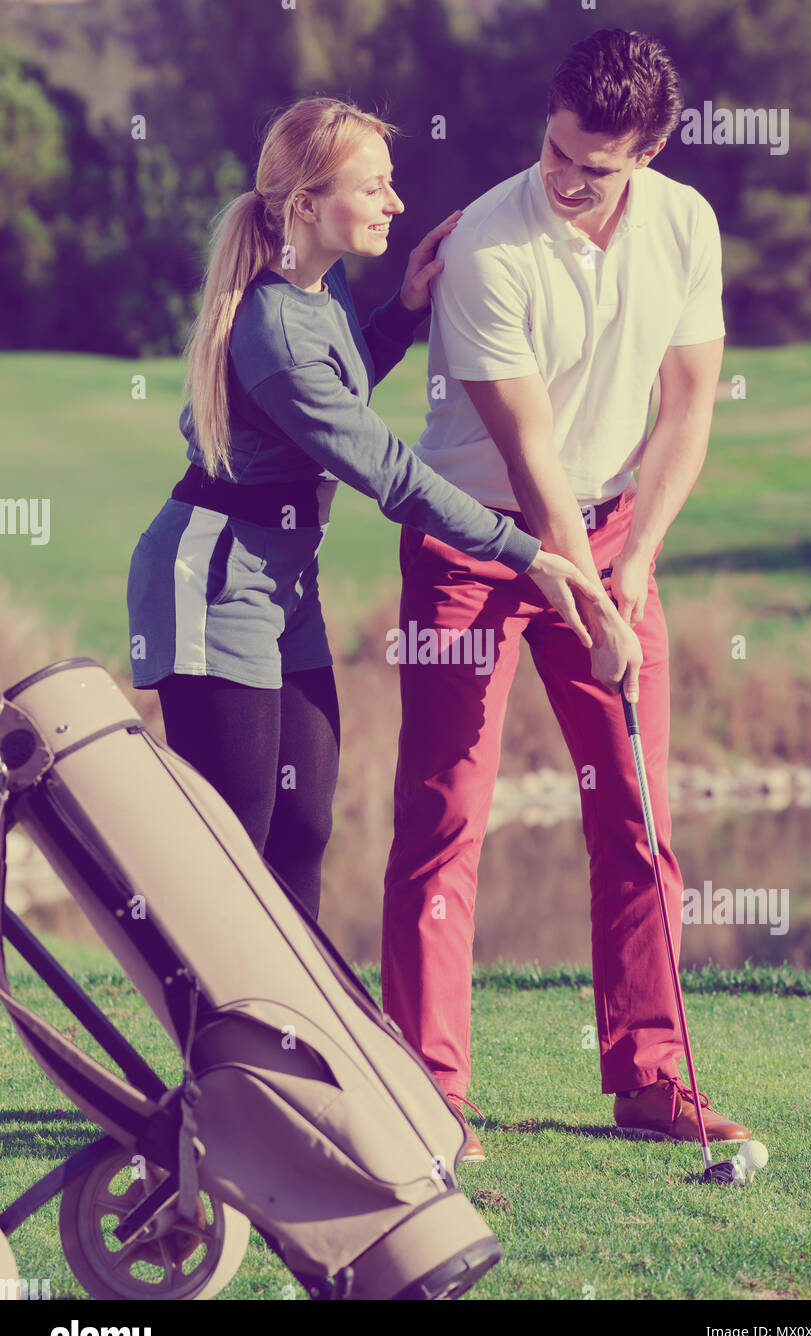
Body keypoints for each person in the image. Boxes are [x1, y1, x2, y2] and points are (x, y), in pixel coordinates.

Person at [381, 30, 751, 1159]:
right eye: (555, 150)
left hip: (609, 532)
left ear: (649, 149)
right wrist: (593, 600)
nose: (565, 178)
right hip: (473, 542)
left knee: (637, 805)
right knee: (445, 813)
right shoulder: (491, 245)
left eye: (594, 166)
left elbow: (689, 405)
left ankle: (650, 1076)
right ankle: (426, 1097)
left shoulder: (683, 222)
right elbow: (531, 459)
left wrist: (633, 564)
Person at [126, 96, 595, 923]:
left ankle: (298, 1034)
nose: (395, 202)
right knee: (233, 841)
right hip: (211, 581)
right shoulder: (268, 325)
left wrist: (403, 311)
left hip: (283, 587)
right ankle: (219, 1042)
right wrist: (525, 551)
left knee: (303, 827)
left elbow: (333, 394)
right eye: (373, 187)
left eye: (391, 184)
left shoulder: (319, 285)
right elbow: (389, 473)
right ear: (305, 205)